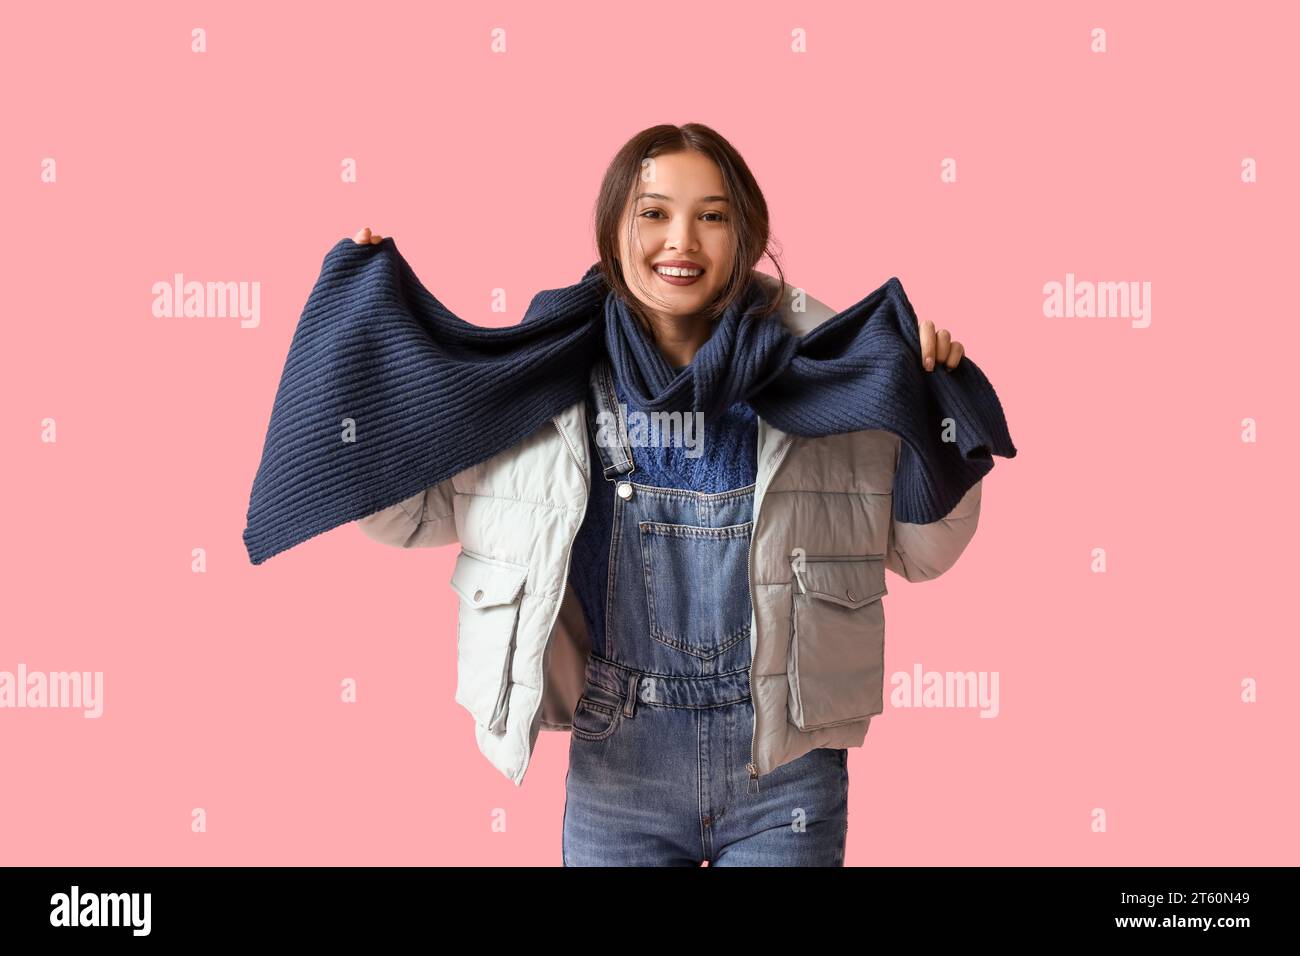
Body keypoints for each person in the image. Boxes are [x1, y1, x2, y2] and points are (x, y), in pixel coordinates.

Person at [354, 123, 980, 867]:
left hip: (782, 766)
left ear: (746, 232)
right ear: (613, 229)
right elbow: (405, 515)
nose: (681, 240)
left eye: (712, 216)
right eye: (653, 213)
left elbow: (924, 550)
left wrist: (936, 416)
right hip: (620, 767)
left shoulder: (829, 371)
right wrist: (366, 344)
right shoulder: (542, 382)